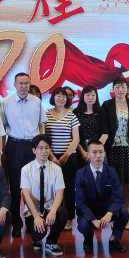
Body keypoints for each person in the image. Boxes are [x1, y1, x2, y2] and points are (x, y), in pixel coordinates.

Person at [2, 73, 46, 236]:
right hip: (14, 145)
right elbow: (3, 127)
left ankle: (32, 220)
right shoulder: (6, 102)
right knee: (15, 187)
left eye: (26, 83)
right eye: (20, 83)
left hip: (33, 146)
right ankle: (16, 223)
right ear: (14, 85)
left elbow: (42, 125)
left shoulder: (37, 102)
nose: (23, 86)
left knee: (33, 185)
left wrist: (42, 145)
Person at [74, 140, 128, 254]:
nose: (98, 156)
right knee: (83, 225)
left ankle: (114, 239)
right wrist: (93, 219)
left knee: (123, 212)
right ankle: (88, 240)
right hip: (90, 211)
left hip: (107, 210)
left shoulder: (112, 172)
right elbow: (80, 202)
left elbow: (118, 197)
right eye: (94, 152)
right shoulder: (80, 174)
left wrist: (109, 213)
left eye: (101, 152)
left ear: (104, 153)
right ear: (88, 154)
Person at [102, 78, 129, 229]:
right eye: (117, 87)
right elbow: (104, 129)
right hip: (112, 149)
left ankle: (128, 216)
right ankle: (115, 215)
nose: (120, 89)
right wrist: (101, 149)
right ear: (113, 89)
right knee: (115, 183)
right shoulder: (107, 105)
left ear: (126, 89)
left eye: (123, 87)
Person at [20, 134, 67, 257]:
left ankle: (51, 242)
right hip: (33, 211)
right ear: (34, 150)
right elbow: (25, 194)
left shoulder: (57, 169)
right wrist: (36, 216)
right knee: (39, 233)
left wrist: (53, 211)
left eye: (47, 148)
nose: (44, 151)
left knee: (62, 213)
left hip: (49, 208)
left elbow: (60, 192)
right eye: (40, 148)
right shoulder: (26, 169)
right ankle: (37, 240)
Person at [45, 87, 80, 230]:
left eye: (64, 96)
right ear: (53, 98)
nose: (61, 98)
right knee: (53, 188)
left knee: (69, 188)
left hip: (69, 157)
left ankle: (69, 218)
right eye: (58, 95)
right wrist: (52, 157)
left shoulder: (71, 115)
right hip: (51, 157)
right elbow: (44, 138)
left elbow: (76, 138)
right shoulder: (46, 114)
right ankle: (54, 215)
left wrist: (66, 155)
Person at [74, 85, 108, 165]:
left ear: (96, 97)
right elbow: (74, 135)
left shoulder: (101, 112)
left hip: (99, 147)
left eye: (93, 95)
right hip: (81, 149)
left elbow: (105, 133)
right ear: (83, 96)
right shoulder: (76, 112)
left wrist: (95, 150)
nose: (90, 98)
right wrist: (83, 152)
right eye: (88, 95)